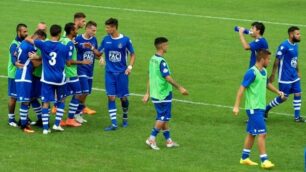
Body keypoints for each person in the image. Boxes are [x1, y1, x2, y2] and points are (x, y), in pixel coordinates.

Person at [233, 49, 284, 169]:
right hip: (253, 108)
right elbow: (241, 90)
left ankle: (244, 158)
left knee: (252, 133)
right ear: (262, 59)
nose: (269, 61)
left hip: (260, 108)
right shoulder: (251, 73)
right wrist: (236, 106)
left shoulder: (264, 71)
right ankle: (264, 160)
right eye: (268, 59)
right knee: (262, 133)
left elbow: (266, 84)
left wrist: (278, 91)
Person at [143, 37, 188, 150]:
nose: (168, 47)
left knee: (164, 118)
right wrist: (180, 88)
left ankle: (168, 141)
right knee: (162, 117)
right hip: (163, 93)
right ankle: (151, 138)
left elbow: (149, 75)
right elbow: (167, 77)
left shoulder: (152, 59)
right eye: (166, 45)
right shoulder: (161, 62)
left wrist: (147, 93)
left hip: (155, 93)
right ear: (162, 46)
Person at [25, 24, 69, 134]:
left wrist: (37, 31)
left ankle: (45, 128)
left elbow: (28, 39)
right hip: (60, 78)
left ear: (50, 33)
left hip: (47, 78)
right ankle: (57, 124)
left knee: (45, 102)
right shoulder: (64, 47)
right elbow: (67, 62)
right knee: (62, 100)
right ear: (59, 34)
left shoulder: (43, 44)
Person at [96, 18, 135, 131]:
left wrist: (130, 67)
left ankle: (125, 115)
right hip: (109, 73)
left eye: (108, 27)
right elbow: (99, 52)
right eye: (106, 27)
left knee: (123, 98)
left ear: (114, 27)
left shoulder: (125, 40)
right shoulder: (106, 39)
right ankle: (114, 124)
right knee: (111, 97)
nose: (106, 29)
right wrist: (100, 57)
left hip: (122, 73)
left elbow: (133, 54)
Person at [265, 26, 305, 122]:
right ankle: (266, 109)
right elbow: (277, 60)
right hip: (285, 76)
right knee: (283, 97)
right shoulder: (284, 46)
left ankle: (297, 117)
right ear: (291, 34)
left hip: (294, 75)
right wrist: (273, 74)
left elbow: (295, 59)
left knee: (298, 93)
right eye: (297, 34)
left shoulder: (295, 45)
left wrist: (298, 71)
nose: (300, 35)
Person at [15, 30, 46, 133]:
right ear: (38, 37)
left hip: (22, 73)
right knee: (25, 101)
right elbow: (35, 63)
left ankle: (24, 123)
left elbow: (15, 53)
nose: (40, 43)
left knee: (27, 99)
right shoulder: (31, 47)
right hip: (24, 75)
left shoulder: (23, 43)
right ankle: (24, 125)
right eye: (41, 40)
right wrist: (43, 60)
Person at [61, 22, 91, 127]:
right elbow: (68, 62)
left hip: (62, 72)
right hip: (70, 73)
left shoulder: (63, 40)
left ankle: (60, 120)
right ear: (71, 31)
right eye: (75, 30)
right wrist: (82, 62)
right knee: (78, 93)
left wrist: (81, 45)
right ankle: (70, 119)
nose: (77, 31)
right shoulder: (69, 43)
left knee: (63, 96)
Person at [74, 21, 100, 122]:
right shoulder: (78, 39)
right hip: (80, 69)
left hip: (90, 70)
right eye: (93, 30)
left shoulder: (94, 40)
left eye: (95, 30)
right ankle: (75, 113)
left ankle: (79, 113)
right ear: (87, 29)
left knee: (87, 92)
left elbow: (97, 54)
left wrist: (100, 58)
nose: (94, 32)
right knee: (84, 91)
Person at [7, 23, 28, 127]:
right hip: (14, 74)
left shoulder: (24, 42)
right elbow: (13, 58)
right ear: (18, 32)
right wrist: (16, 63)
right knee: (13, 97)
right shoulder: (14, 44)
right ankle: (11, 118)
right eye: (24, 32)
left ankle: (24, 117)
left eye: (26, 31)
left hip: (21, 74)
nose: (26, 33)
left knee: (23, 95)